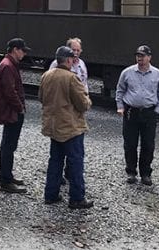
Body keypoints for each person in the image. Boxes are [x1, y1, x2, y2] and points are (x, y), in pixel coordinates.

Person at [40, 46, 94, 209]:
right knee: (75, 162)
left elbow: (41, 98)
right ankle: (77, 198)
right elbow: (83, 104)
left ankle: (51, 194)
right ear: (69, 60)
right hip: (71, 128)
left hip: (53, 126)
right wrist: (88, 100)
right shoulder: (72, 78)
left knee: (55, 160)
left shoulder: (46, 76)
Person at [115, 45, 159, 186]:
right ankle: (131, 172)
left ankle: (146, 173)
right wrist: (120, 107)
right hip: (131, 112)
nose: (140, 58)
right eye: (138, 55)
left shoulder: (158, 74)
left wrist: (158, 109)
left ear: (149, 57)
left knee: (148, 144)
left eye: (143, 56)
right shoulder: (127, 73)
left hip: (149, 112)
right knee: (130, 144)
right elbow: (120, 90)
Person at [0, 38, 31, 194]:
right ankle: (5, 180)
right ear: (15, 49)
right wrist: (20, 107)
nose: (24, 53)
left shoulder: (7, 64)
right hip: (12, 112)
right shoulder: (8, 66)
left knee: (9, 145)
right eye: (23, 50)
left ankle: (7, 176)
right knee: (8, 146)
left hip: (11, 112)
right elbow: (10, 92)